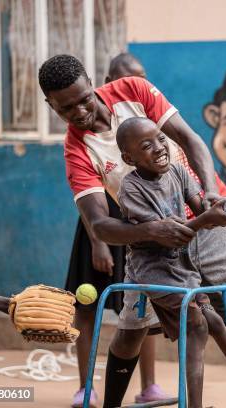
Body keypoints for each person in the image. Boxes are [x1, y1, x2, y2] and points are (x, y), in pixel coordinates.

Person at [38, 54, 226, 408]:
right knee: (131, 330)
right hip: (152, 246)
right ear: (51, 105)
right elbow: (100, 223)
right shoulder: (77, 149)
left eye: (83, 99)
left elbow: (190, 139)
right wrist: (152, 231)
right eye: (65, 109)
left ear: (92, 83)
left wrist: (210, 195)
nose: (77, 112)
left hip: (209, 217)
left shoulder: (133, 90)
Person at [116, 116, 226, 408]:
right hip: (152, 270)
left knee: (214, 322)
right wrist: (205, 219)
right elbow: (169, 235)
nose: (159, 147)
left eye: (161, 139)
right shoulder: (131, 189)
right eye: (146, 146)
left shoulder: (177, 171)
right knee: (197, 325)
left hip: (182, 266)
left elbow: (202, 210)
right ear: (129, 157)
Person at [64, 52, 172, 408]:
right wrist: (98, 243)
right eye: (132, 77)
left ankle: (150, 385)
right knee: (87, 303)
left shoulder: (140, 112)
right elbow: (91, 207)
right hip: (103, 226)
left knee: (142, 302)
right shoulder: (84, 137)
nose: (143, 83)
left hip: (139, 225)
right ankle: (86, 387)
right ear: (109, 80)